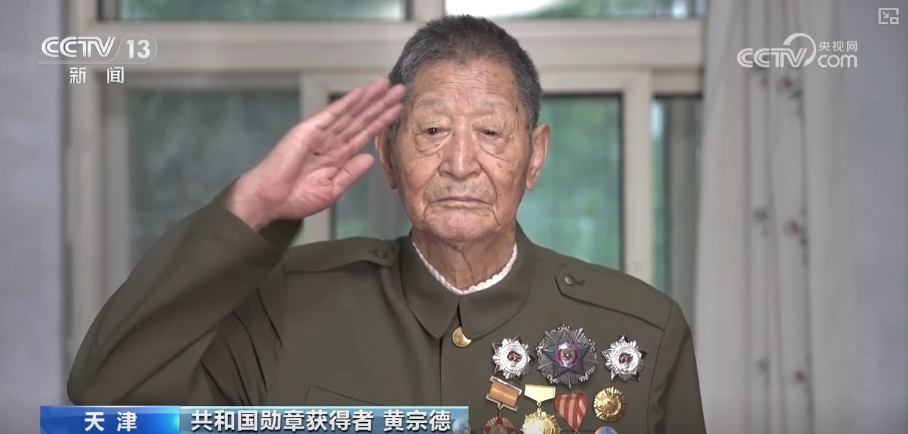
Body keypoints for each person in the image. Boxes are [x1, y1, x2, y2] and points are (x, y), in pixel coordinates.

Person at [68, 15, 706, 434]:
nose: (461, 163)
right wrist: (251, 209)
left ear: (534, 155)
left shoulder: (641, 333)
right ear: (389, 155)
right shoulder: (287, 307)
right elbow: (109, 398)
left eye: (490, 132)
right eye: (432, 130)